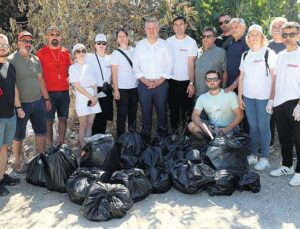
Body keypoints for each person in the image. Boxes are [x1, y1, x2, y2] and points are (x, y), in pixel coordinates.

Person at [8, 31, 51, 173]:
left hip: (38, 102)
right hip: (21, 105)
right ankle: (18, 162)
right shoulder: (11, 60)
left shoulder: (35, 59)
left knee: (41, 131)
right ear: (18, 43)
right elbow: (11, 85)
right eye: (25, 41)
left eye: (30, 42)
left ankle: (42, 158)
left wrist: (46, 98)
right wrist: (18, 106)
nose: (28, 44)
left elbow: (41, 80)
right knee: (19, 134)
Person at [238, 24, 277, 170]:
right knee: (253, 127)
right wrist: (239, 97)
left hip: (264, 98)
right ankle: (254, 155)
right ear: (248, 38)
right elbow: (241, 77)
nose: (253, 37)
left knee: (263, 126)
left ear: (262, 37)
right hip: (248, 97)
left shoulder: (268, 53)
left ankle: (265, 157)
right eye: (251, 34)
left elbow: (274, 77)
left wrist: (271, 99)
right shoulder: (245, 55)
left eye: (257, 34)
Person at [268, 22, 300, 186]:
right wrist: (271, 99)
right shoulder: (280, 56)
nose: (288, 38)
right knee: (284, 138)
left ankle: (299, 172)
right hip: (279, 102)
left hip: (295, 102)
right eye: (285, 34)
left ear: (298, 35)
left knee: (299, 138)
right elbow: (275, 79)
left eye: (292, 34)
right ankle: (287, 166)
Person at [133, 18, 172, 142]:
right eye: (149, 28)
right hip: (144, 85)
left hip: (161, 85)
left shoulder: (165, 45)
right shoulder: (139, 45)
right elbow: (135, 65)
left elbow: (169, 65)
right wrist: (145, 81)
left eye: (154, 28)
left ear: (158, 29)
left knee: (162, 113)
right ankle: (145, 141)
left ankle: (163, 141)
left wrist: (159, 81)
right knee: (146, 114)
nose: (151, 31)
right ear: (145, 30)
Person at [36, 26, 72, 147]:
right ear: (47, 37)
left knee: (63, 119)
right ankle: (50, 146)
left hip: (64, 92)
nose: (54, 36)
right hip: (48, 93)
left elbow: (71, 70)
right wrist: (44, 96)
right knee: (48, 121)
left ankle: (61, 144)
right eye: (52, 34)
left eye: (57, 34)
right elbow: (37, 76)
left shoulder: (66, 52)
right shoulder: (40, 53)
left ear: (60, 37)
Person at [188, 70, 243, 144]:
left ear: (219, 81)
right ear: (206, 81)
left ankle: (216, 143)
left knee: (224, 140)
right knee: (191, 126)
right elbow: (194, 116)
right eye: (209, 79)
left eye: (215, 79)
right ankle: (205, 144)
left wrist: (226, 129)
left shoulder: (230, 94)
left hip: (230, 128)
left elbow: (240, 115)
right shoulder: (202, 97)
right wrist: (205, 128)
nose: (212, 81)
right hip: (213, 128)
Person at [0, 34, 25, 196]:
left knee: (4, 148)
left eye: (4, 44)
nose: (2, 46)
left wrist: (19, 107)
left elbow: (14, 88)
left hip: (10, 115)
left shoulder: (10, 65)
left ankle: (1, 176)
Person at [166, 16, 197, 135]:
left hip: (186, 82)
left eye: (181, 24)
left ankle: (186, 136)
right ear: (173, 27)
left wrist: (191, 83)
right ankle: (173, 134)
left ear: (185, 26)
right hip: (171, 81)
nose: (178, 27)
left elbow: (191, 64)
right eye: (176, 25)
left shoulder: (191, 42)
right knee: (173, 110)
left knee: (187, 110)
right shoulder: (168, 42)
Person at [69, 43, 101, 146]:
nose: (81, 53)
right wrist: (91, 97)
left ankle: (89, 147)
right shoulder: (73, 68)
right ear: (75, 54)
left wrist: (95, 97)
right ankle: (83, 149)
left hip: (93, 98)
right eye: (78, 51)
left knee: (90, 125)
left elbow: (95, 84)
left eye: (83, 51)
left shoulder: (90, 67)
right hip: (82, 98)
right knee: (83, 125)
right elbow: (77, 86)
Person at [111, 29, 138, 137]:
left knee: (133, 114)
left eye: (124, 36)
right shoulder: (115, 54)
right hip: (122, 89)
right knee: (122, 115)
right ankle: (121, 140)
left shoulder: (135, 50)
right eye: (119, 36)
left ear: (128, 37)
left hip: (135, 88)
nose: (122, 38)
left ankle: (133, 139)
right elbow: (114, 74)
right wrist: (116, 90)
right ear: (117, 40)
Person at [86, 34, 113, 135]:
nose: (101, 45)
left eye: (104, 43)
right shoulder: (88, 57)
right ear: (95, 45)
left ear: (106, 45)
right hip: (94, 91)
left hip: (106, 91)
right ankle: (90, 145)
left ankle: (100, 144)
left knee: (103, 120)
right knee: (92, 120)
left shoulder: (110, 58)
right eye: (99, 43)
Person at [268, 17, 288, 152]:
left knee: (287, 118)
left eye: (280, 26)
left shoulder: (291, 44)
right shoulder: (266, 45)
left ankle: (289, 146)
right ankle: (269, 144)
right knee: (270, 117)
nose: (276, 29)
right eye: (274, 26)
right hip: (268, 87)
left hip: (287, 88)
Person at [195, 26, 227, 98]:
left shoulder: (221, 52)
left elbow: (225, 71)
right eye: (204, 36)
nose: (205, 39)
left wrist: (223, 87)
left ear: (214, 38)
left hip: (214, 94)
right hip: (197, 94)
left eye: (209, 36)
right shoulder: (196, 52)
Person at [225, 18, 249, 91]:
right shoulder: (230, 43)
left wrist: (235, 83)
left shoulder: (248, 43)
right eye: (231, 28)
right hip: (229, 85)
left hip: (242, 86)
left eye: (236, 27)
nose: (233, 29)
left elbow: (246, 67)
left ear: (243, 28)